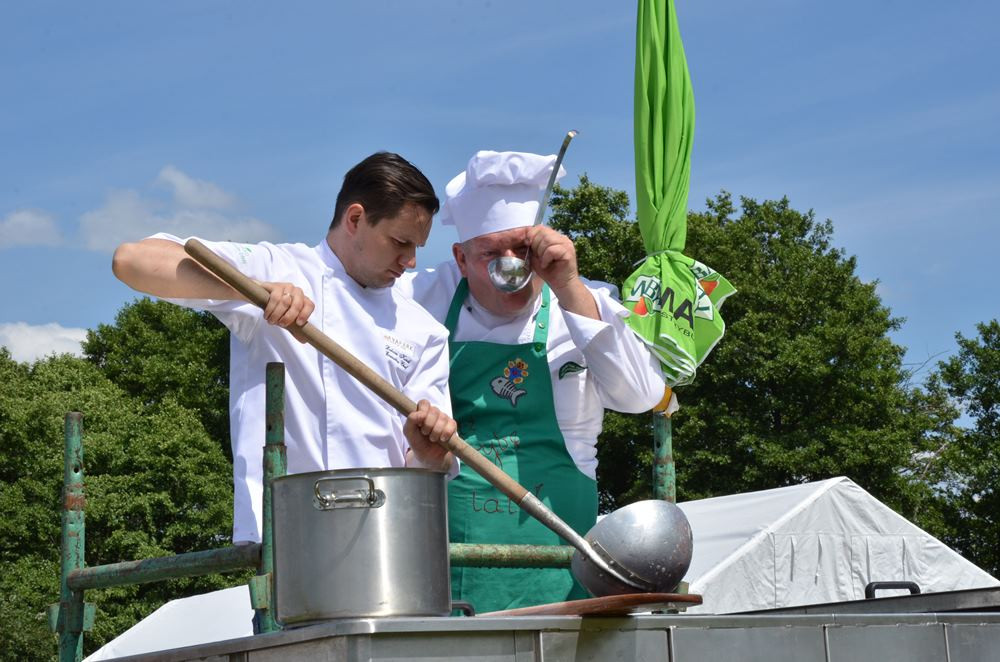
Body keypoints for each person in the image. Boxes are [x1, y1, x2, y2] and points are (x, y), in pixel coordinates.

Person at [113, 151, 457, 544]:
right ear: (356, 219)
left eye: (418, 247)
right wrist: (254, 292)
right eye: (400, 242)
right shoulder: (278, 268)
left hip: (385, 540)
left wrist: (432, 454)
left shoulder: (423, 330)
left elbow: (432, 463)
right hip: (284, 536)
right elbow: (132, 260)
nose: (410, 262)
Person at [397, 150, 671, 613]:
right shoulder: (417, 298)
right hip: (450, 557)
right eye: (491, 254)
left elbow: (640, 396)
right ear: (461, 259)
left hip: (565, 558)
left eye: (523, 251)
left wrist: (568, 287)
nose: (511, 267)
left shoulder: (587, 300)